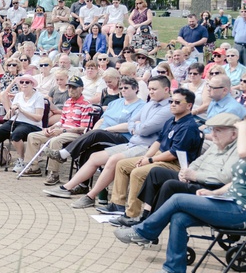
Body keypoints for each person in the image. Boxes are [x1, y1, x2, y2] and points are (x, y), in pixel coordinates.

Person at [115, 112, 246, 273]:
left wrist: (240, 127)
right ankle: (174, 271)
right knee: (179, 217)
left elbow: (243, 152)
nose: (245, 135)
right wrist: (214, 193)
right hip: (231, 204)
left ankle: (144, 232)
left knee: (178, 198)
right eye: (244, 131)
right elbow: (236, 182)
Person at [44, 76, 172, 203]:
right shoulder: (148, 104)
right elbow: (131, 122)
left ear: (166, 89)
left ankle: (90, 194)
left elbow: (143, 129)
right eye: (149, 89)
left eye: (154, 89)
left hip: (141, 145)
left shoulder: (165, 108)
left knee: (103, 144)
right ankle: (68, 187)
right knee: (93, 154)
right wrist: (137, 125)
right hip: (131, 143)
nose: (151, 92)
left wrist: (133, 126)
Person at [81, 88, 203, 214]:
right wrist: (145, 157)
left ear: (189, 105)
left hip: (176, 164)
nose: (172, 104)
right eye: (171, 101)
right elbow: (158, 142)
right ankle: (117, 205)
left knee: (137, 172)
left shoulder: (188, 126)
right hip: (160, 156)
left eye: (177, 102)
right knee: (121, 165)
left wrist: (150, 160)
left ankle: (132, 214)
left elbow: (173, 154)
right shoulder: (171, 121)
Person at [116, 112, 242, 228]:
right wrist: (186, 172)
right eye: (213, 130)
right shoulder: (217, 144)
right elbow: (199, 161)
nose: (213, 134)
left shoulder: (237, 151)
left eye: (218, 130)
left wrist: (195, 175)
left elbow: (225, 177)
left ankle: (150, 226)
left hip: (210, 188)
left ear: (234, 134)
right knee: (156, 172)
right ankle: (145, 217)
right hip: (194, 179)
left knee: (170, 185)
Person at [18, 76, 95, 178]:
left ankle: (53, 173)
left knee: (55, 141)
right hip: (62, 130)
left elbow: (84, 128)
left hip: (76, 134)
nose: (71, 90)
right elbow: (61, 121)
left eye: (74, 87)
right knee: (33, 136)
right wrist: (52, 128)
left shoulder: (86, 105)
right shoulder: (67, 102)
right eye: (69, 87)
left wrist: (63, 130)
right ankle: (33, 168)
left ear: (82, 89)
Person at [0, 74, 45, 172]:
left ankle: (22, 160)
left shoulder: (38, 97)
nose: (24, 84)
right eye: (22, 82)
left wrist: (22, 111)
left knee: (16, 135)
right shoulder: (18, 95)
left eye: (27, 82)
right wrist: (12, 109)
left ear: (32, 84)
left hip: (32, 124)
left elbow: (38, 118)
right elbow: (10, 112)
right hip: (15, 120)